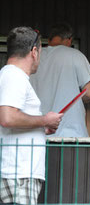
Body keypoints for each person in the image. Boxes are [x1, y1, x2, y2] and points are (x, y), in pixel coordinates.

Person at [0, 27, 63, 204]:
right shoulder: (14, 76)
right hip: (18, 174)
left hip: (17, 173)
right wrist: (44, 120)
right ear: (34, 52)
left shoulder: (10, 75)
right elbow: (7, 118)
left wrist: (40, 127)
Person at [30, 23, 90, 137]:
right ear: (69, 40)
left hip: (38, 132)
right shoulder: (75, 55)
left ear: (50, 39)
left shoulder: (34, 57)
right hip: (70, 132)